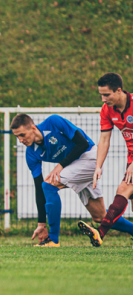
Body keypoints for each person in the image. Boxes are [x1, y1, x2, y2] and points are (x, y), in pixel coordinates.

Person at [11, 113, 133, 247]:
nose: (20, 140)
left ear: (33, 128)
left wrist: (61, 165)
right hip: (75, 165)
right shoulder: (31, 154)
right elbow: (39, 188)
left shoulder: (53, 122)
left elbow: (83, 144)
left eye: (22, 135)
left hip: (90, 157)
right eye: (17, 136)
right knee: (99, 216)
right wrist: (41, 224)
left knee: (49, 185)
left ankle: (53, 240)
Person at [78, 73, 133, 246]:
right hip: (131, 158)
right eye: (101, 95)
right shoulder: (107, 110)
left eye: (106, 95)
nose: (103, 99)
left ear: (118, 91)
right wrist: (98, 167)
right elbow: (104, 140)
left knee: (123, 188)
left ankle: (100, 232)